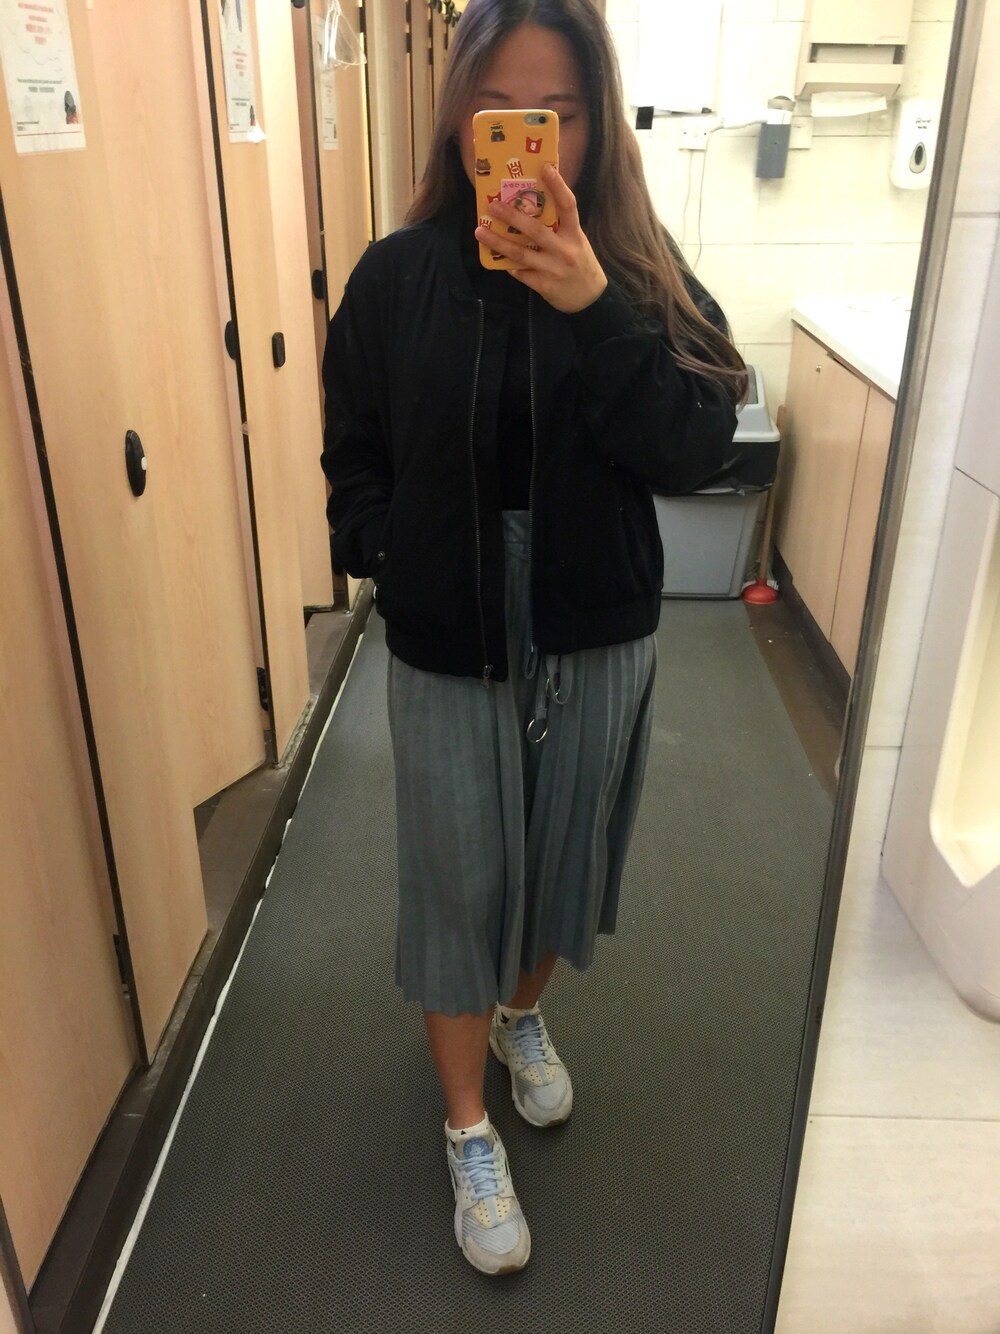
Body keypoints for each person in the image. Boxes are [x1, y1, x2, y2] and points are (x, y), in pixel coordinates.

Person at [320, 0, 746, 1277]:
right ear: (459, 114)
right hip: (447, 609)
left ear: (594, 123)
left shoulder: (639, 268)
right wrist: (386, 549)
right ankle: (466, 1123)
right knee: (458, 871)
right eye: (499, 107)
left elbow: (697, 443)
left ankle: (520, 1016)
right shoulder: (395, 275)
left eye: (555, 111)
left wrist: (595, 304)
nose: (525, 137)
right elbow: (352, 446)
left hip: (592, 608)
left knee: (564, 851)